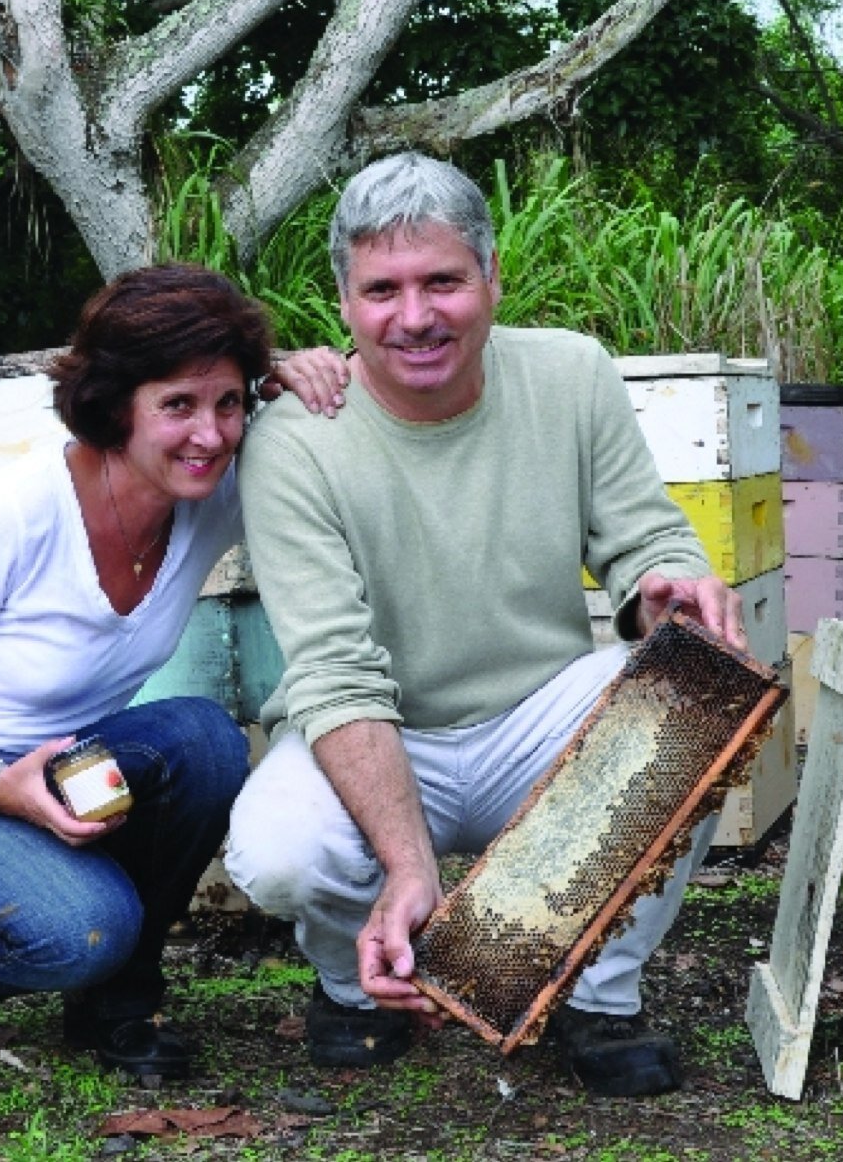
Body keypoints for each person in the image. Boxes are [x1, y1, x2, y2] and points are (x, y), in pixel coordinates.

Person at [224, 152, 748, 1098]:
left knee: (699, 694)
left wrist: (664, 587)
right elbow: (336, 673)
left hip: (533, 718)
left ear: (492, 278)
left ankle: (600, 991)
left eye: (443, 282)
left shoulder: (570, 373)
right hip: (379, 739)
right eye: (383, 289)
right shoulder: (294, 440)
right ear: (343, 301)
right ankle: (360, 983)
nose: (415, 316)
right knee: (278, 852)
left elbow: (642, 538)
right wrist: (410, 863)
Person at [0, 263, 348, 1077]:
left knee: (204, 739)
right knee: (85, 929)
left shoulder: (208, 490)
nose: (210, 434)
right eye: (178, 404)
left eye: (228, 404)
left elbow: (338, 447)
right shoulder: (17, 509)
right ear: (115, 407)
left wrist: (304, 375)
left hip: (57, 765)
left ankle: (118, 999)